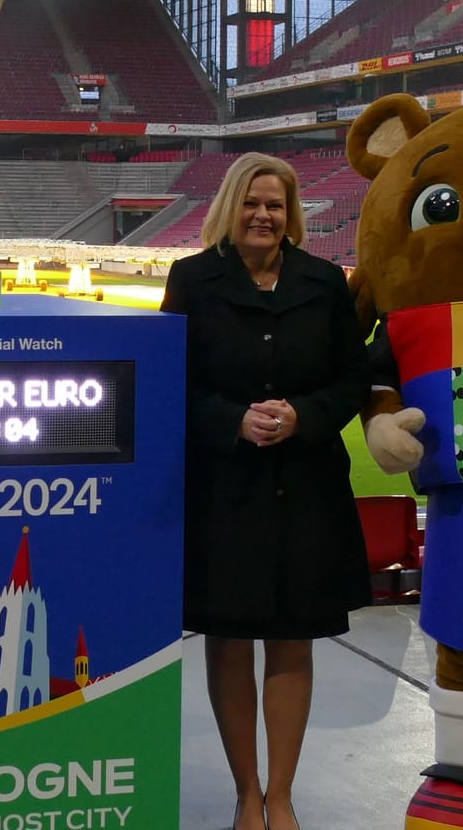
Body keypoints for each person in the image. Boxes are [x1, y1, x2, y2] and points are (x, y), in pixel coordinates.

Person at [159, 153, 369, 830]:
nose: (263, 216)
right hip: (226, 489)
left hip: (306, 489)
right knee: (229, 641)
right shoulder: (193, 280)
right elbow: (173, 383)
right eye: (252, 203)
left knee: (293, 640)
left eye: (275, 205)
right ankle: (246, 793)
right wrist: (233, 420)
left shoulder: (324, 282)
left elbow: (352, 381)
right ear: (230, 207)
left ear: (292, 212)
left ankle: (281, 796)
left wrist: (304, 416)